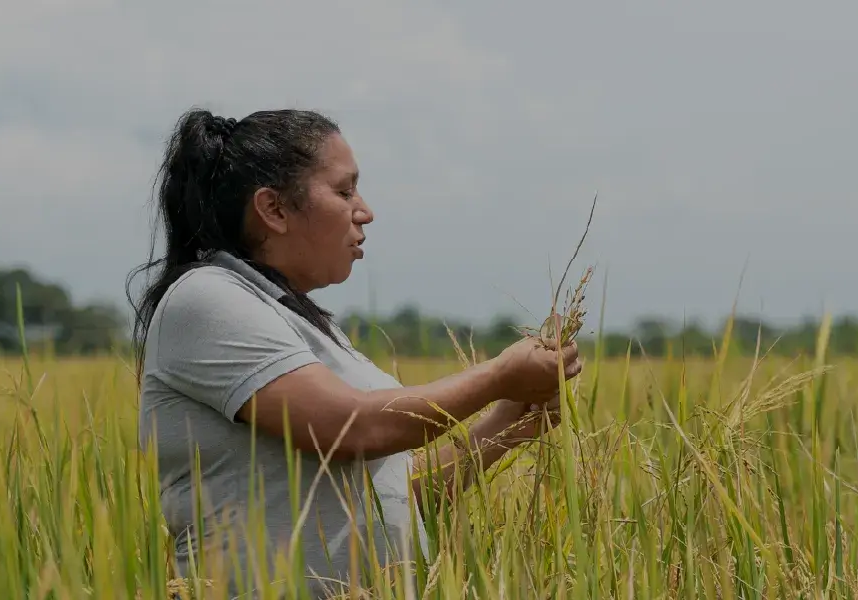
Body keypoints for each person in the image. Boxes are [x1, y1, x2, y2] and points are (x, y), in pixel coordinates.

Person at [128, 107, 583, 597]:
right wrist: (497, 376)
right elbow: (351, 427)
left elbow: (389, 495)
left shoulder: (301, 322)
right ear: (274, 209)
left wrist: (511, 420)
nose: (364, 210)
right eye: (344, 191)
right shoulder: (205, 299)